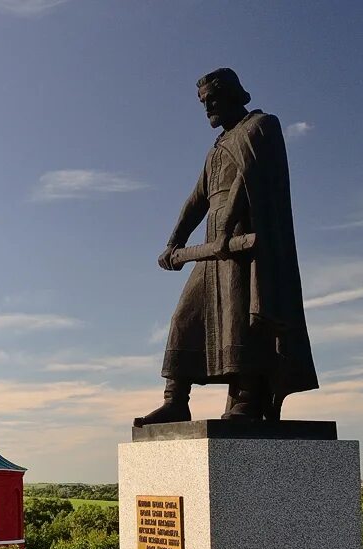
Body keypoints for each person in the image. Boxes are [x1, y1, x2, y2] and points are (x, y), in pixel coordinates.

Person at [137, 68, 318, 425]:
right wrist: (175, 241)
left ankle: (247, 400)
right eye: (205, 103)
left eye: (214, 100)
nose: (209, 108)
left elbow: (248, 179)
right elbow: (198, 198)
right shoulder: (217, 146)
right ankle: (176, 400)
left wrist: (225, 234)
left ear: (236, 94)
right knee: (185, 317)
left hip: (245, 242)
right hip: (214, 243)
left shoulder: (261, 126)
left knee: (242, 318)